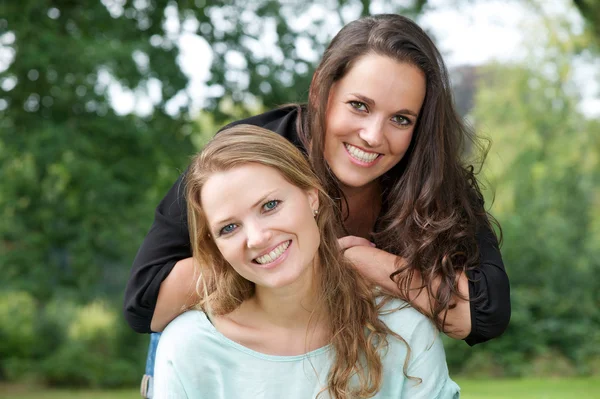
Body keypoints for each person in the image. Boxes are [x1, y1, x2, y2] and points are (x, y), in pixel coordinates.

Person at [126, 12, 509, 358]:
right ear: (321, 91)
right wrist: (298, 250)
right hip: (226, 355)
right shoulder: (252, 152)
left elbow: (483, 312)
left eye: (401, 119)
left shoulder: (431, 175)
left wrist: (364, 261)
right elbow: (146, 303)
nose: (373, 136)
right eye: (359, 105)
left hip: (350, 358)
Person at [153, 125, 460, 398]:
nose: (257, 238)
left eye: (270, 205)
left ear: (312, 196)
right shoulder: (189, 347)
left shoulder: (402, 331)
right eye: (229, 228)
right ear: (217, 246)